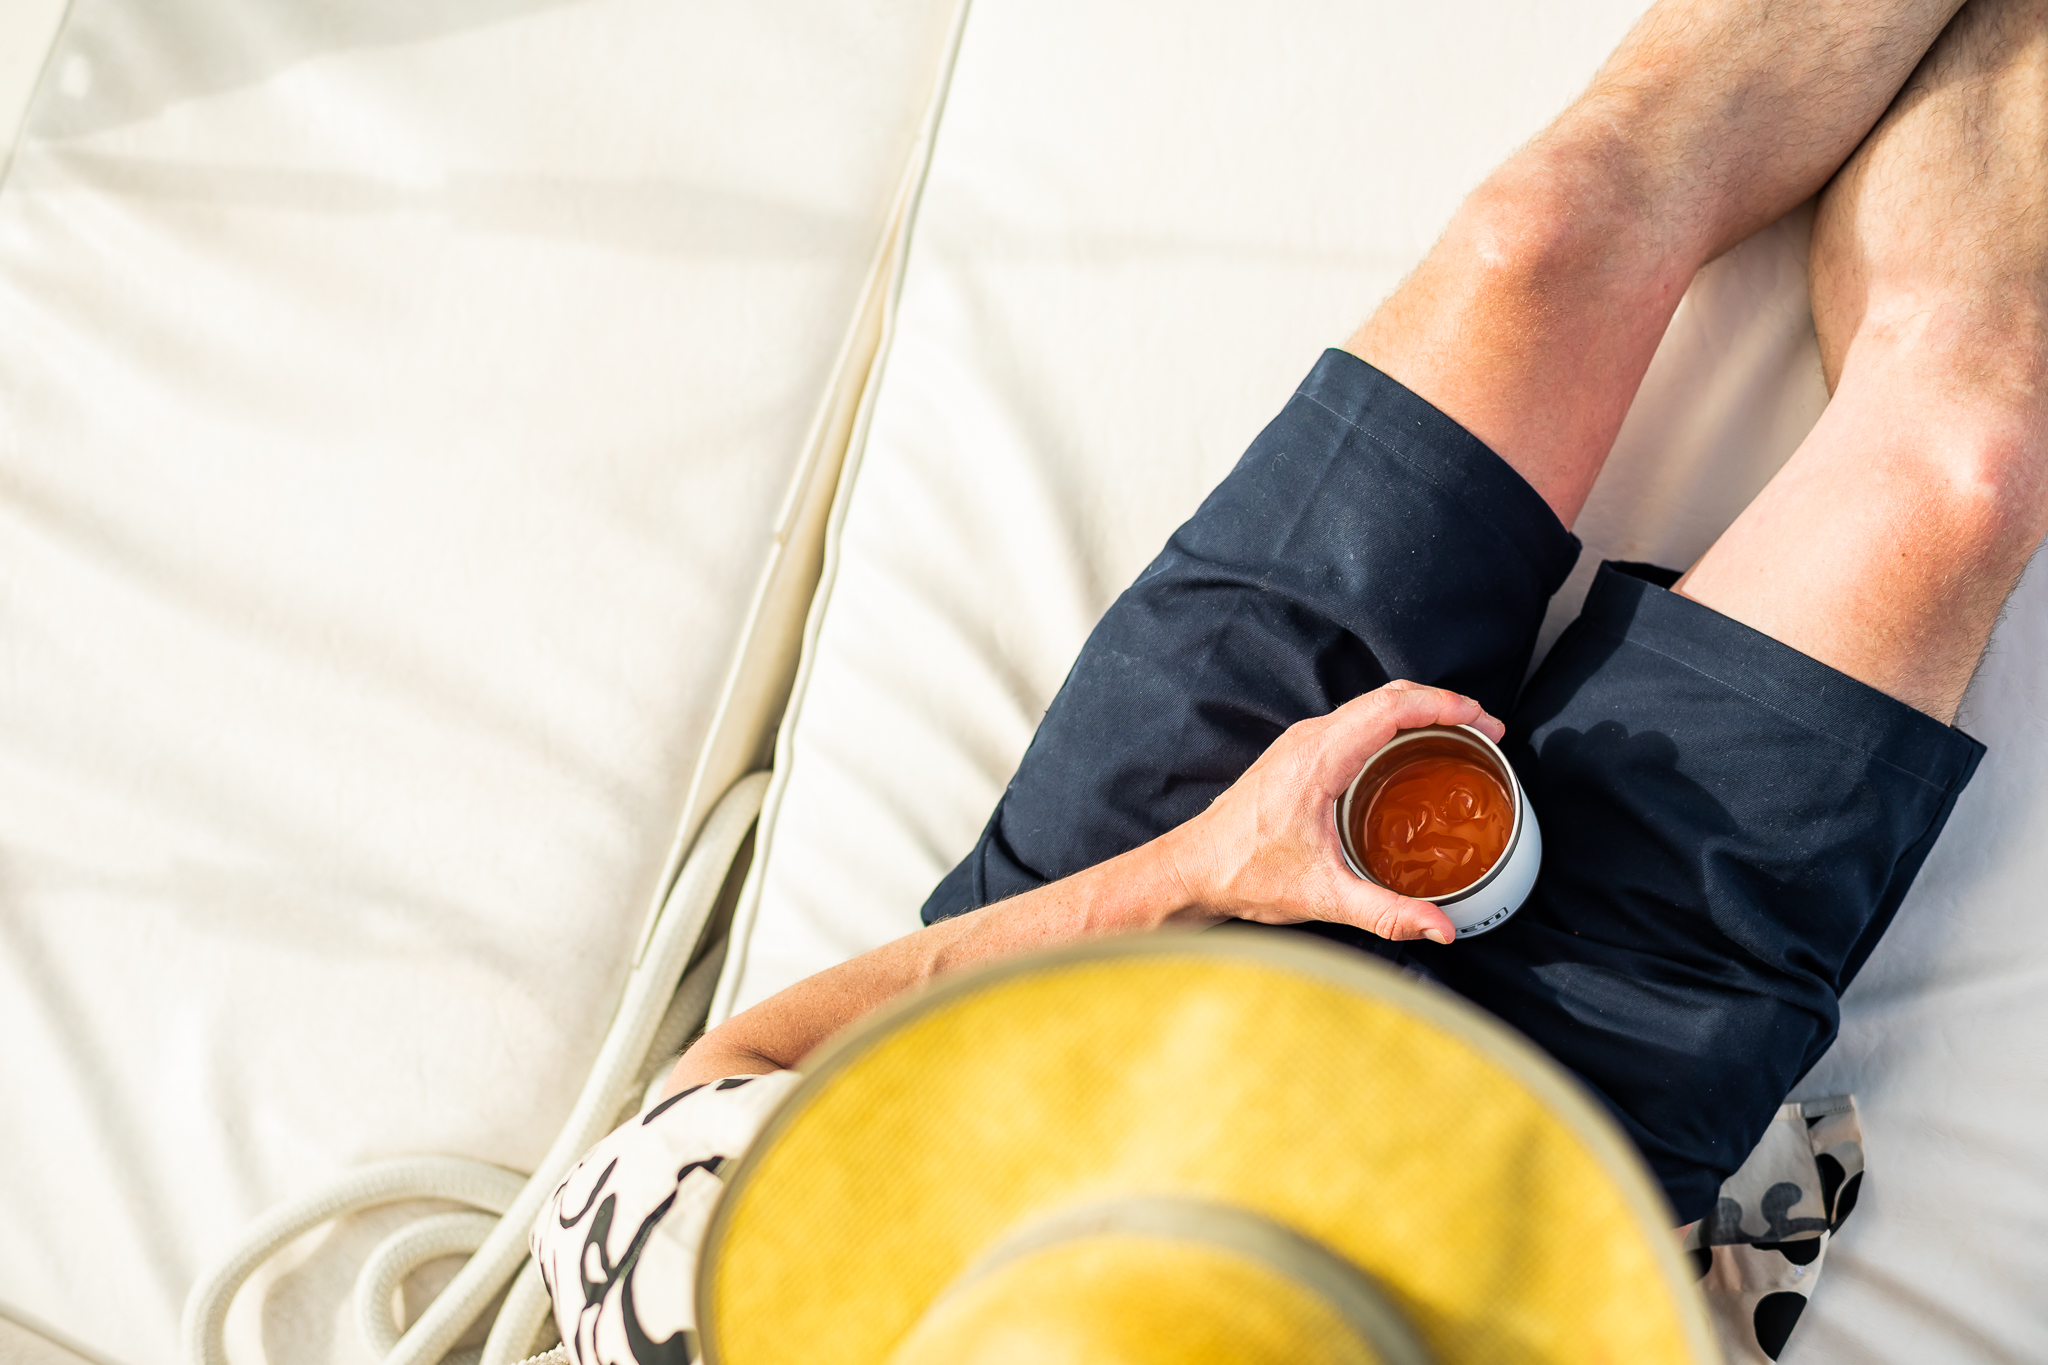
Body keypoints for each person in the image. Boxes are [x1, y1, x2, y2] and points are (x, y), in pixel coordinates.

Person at [660, 0, 2046, 1229]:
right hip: (1507, 1191)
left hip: (1109, 965)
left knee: (1542, 237)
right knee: (1970, 466)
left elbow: (731, 1077)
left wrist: (1202, 864)